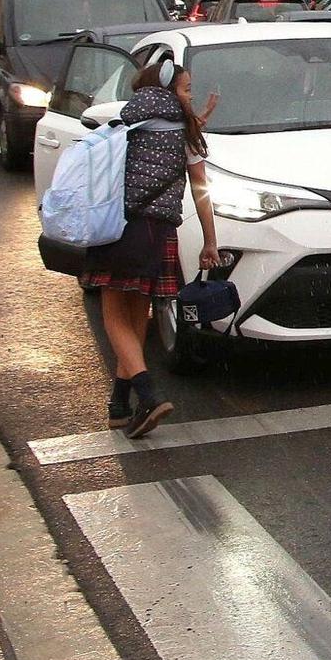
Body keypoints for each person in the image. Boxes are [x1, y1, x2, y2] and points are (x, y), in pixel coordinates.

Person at [82, 53, 219, 438]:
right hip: (160, 232)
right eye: (187, 90)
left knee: (114, 316)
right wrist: (210, 239)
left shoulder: (124, 122)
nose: (190, 97)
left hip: (118, 227)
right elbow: (201, 189)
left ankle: (147, 394)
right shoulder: (186, 131)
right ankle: (119, 403)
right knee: (137, 316)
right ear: (169, 91)